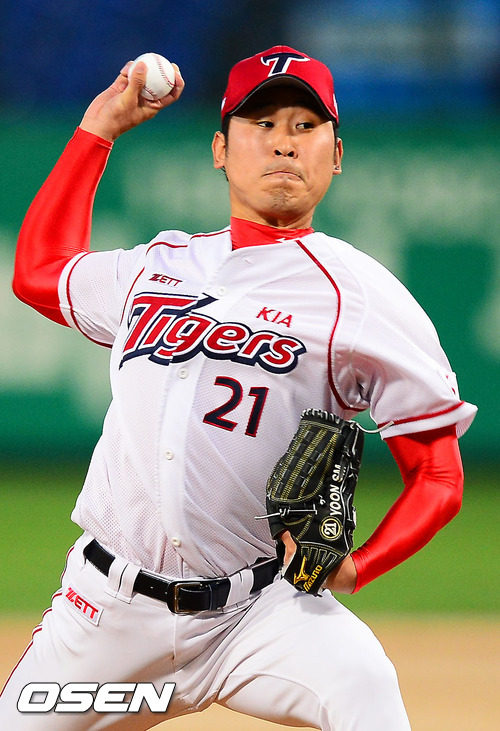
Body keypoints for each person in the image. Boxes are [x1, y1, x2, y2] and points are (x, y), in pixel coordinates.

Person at [2, 45, 476, 730]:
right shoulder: (157, 266)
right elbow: (39, 271)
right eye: (263, 123)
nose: (285, 142)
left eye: (306, 126)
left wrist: (359, 567)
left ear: (337, 155)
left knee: (363, 684)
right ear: (220, 150)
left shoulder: (363, 297)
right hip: (103, 612)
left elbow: (438, 473)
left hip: (259, 610)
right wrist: (97, 129)